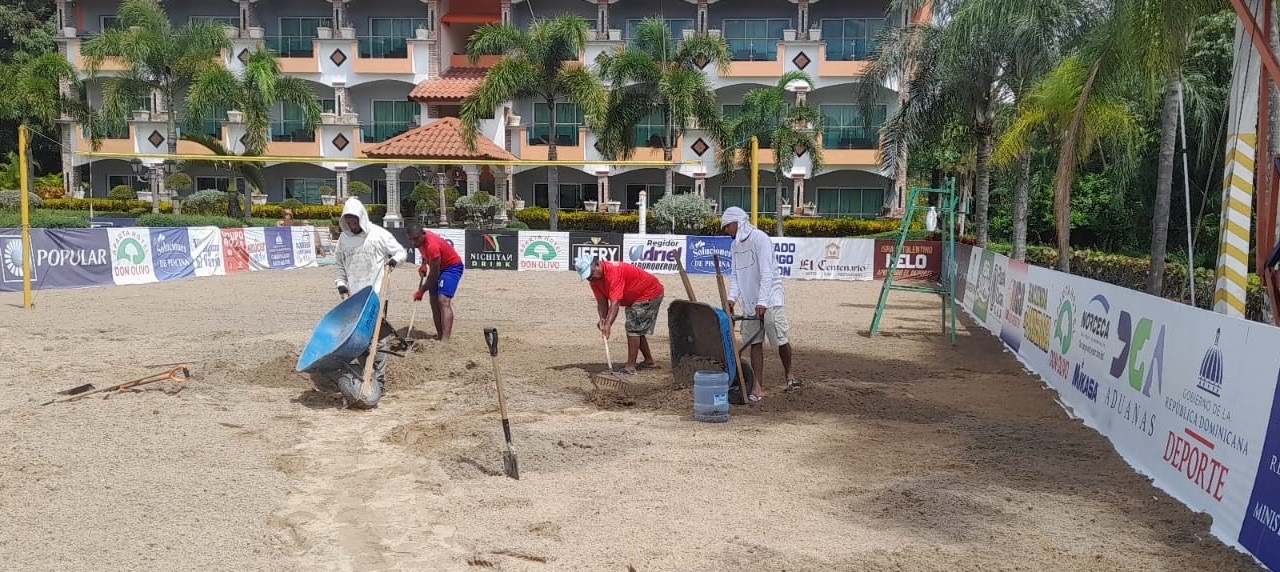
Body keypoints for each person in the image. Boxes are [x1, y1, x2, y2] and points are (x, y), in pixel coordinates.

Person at [319, 197, 407, 406]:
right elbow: (340, 266)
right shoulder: (344, 240)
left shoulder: (378, 235)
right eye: (349, 222)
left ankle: (379, 383)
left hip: (377, 295)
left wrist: (393, 262)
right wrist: (342, 285)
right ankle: (365, 376)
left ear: (362, 218)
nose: (352, 225)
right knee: (358, 340)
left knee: (378, 340)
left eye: (355, 221)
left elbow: (400, 252)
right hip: (354, 299)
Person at [720, 206, 800, 402]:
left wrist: (763, 301)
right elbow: (736, 276)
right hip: (749, 301)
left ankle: (789, 374)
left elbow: (767, 272)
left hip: (771, 298)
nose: (726, 231)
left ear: (737, 222)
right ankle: (757, 386)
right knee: (754, 343)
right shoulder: (735, 246)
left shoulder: (760, 239)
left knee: (780, 339)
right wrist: (732, 298)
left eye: (727, 226)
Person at [577, 253, 664, 376]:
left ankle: (630, 368)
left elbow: (615, 303)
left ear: (597, 264)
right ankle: (649, 361)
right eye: (587, 277)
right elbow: (602, 302)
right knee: (636, 328)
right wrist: (603, 319)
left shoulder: (614, 273)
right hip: (635, 297)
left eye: (591, 274)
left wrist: (608, 324)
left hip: (649, 293)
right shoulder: (594, 281)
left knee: (633, 328)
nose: (590, 279)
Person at [406, 224, 464, 342]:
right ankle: (440, 336)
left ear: (423, 234)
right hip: (438, 268)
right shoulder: (419, 241)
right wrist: (423, 264)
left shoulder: (432, 245)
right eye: (411, 239)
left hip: (451, 267)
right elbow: (424, 253)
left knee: (443, 301)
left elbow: (434, 275)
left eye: (416, 239)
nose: (414, 242)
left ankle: (445, 341)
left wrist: (421, 291)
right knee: (434, 302)